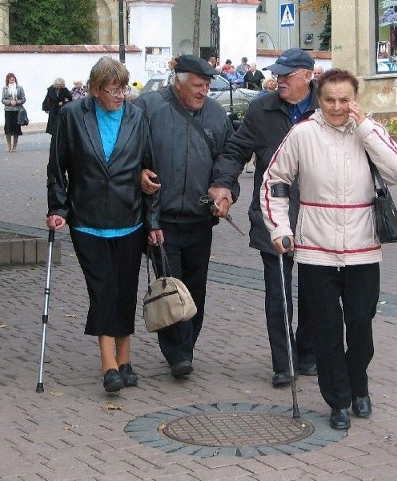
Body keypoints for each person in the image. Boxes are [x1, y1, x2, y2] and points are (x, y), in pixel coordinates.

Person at [260, 68, 397, 429]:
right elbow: (274, 180)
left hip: (363, 247)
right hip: (315, 248)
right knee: (326, 329)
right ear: (318, 99)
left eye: (345, 100)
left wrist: (366, 128)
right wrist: (280, 226)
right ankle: (338, 400)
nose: (337, 107)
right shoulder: (303, 134)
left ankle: (359, 385)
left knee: (360, 323)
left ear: (354, 99)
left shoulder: (368, 132)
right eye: (329, 100)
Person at [46, 57, 163, 393]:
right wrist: (58, 208)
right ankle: (108, 363)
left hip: (129, 219)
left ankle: (126, 359)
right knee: (103, 290)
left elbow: (150, 172)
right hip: (87, 219)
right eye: (113, 90)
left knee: (125, 290)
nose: (120, 96)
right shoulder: (72, 116)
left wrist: (153, 220)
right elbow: (57, 167)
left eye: (123, 89)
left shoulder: (137, 118)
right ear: (95, 90)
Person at [209, 48, 319, 387]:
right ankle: (283, 361)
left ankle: (308, 352)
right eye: (278, 74)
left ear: (308, 76)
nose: (279, 80)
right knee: (278, 291)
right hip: (273, 212)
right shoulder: (261, 108)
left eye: (287, 75)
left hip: (318, 215)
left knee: (316, 290)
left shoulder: (325, 106)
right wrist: (223, 184)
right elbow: (236, 150)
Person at [135, 54, 234, 378]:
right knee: (171, 287)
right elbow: (126, 151)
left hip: (200, 220)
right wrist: (138, 174)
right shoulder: (148, 108)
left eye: (207, 86)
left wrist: (224, 187)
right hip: (160, 220)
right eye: (197, 85)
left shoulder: (216, 115)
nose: (204, 91)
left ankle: (186, 346)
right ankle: (178, 353)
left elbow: (227, 160)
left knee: (196, 289)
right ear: (178, 84)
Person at [1, 72, 26, 152]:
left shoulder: (19, 88)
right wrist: (9, 102)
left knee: (16, 128)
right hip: (8, 110)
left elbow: (23, 99)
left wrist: (17, 102)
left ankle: (14, 145)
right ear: (8, 80)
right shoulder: (5, 88)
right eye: (10, 78)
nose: (12, 79)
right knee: (8, 128)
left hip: (17, 110)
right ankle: (8, 144)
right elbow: (2, 100)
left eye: (13, 78)